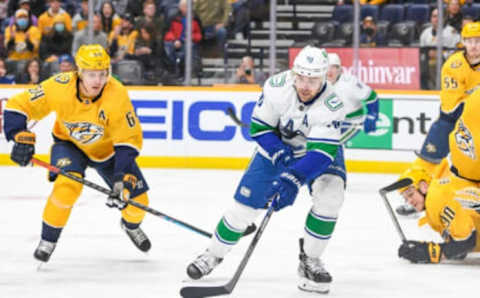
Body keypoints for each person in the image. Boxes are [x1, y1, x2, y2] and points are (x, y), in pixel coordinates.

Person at [185, 45, 347, 294]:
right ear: (294, 74)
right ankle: (213, 254)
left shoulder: (333, 104)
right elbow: (260, 129)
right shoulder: (277, 86)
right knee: (243, 208)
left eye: (312, 80)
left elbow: (322, 153)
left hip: (316, 155)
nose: (305, 85)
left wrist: (294, 178)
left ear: (324, 78)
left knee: (330, 197)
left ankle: (310, 260)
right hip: (278, 146)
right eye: (301, 78)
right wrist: (278, 152)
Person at [3, 44, 151, 263]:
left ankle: (131, 226)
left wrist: (120, 178)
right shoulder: (60, 86)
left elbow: (127, 140)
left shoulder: (116, 93)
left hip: (108, 152)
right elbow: (18, 104)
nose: (97, 81)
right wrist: (19, 135)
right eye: (91, 74)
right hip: (70, 145)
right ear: (79, 72)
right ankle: (48, 239)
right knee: (66, 189)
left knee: (139, 202)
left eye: (102, 74)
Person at [396, 21, 480, 216]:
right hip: (450, 123)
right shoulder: (454, 64)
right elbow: (453, 107)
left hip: (476, 125)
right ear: (463, 42)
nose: (474, 46)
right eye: (470, 41)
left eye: (478, 41)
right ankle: (412, 198)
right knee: (427, 161)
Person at [397, 89, 480, 264]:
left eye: (411, 194)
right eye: (407, 197)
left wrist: (432, 252)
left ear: (423, 186)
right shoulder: (444, 182)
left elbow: (466, 241)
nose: (410, 201)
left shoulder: (436, 198)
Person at [326, 52, 378, 140]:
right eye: (327, 67)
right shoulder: (318, 83)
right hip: (331, 122)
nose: (330, 71)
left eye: (334, 67)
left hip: (352, 122)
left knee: (333, 142)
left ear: (340, 69)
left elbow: (372, 96)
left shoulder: (350, 83)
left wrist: (372, 115)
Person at [419, 8, 461, 90]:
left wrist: (440, 55)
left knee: (434, 65)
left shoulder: (452, 32)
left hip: (447, 63)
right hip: (428, 63)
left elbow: (456, 51)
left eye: (439, 16)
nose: (436, 19)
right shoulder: (425, 33)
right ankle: (426, 90)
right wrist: (427, 54)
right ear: (431, 18)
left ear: (444, 18)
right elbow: (421, 53)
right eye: (434, 16)